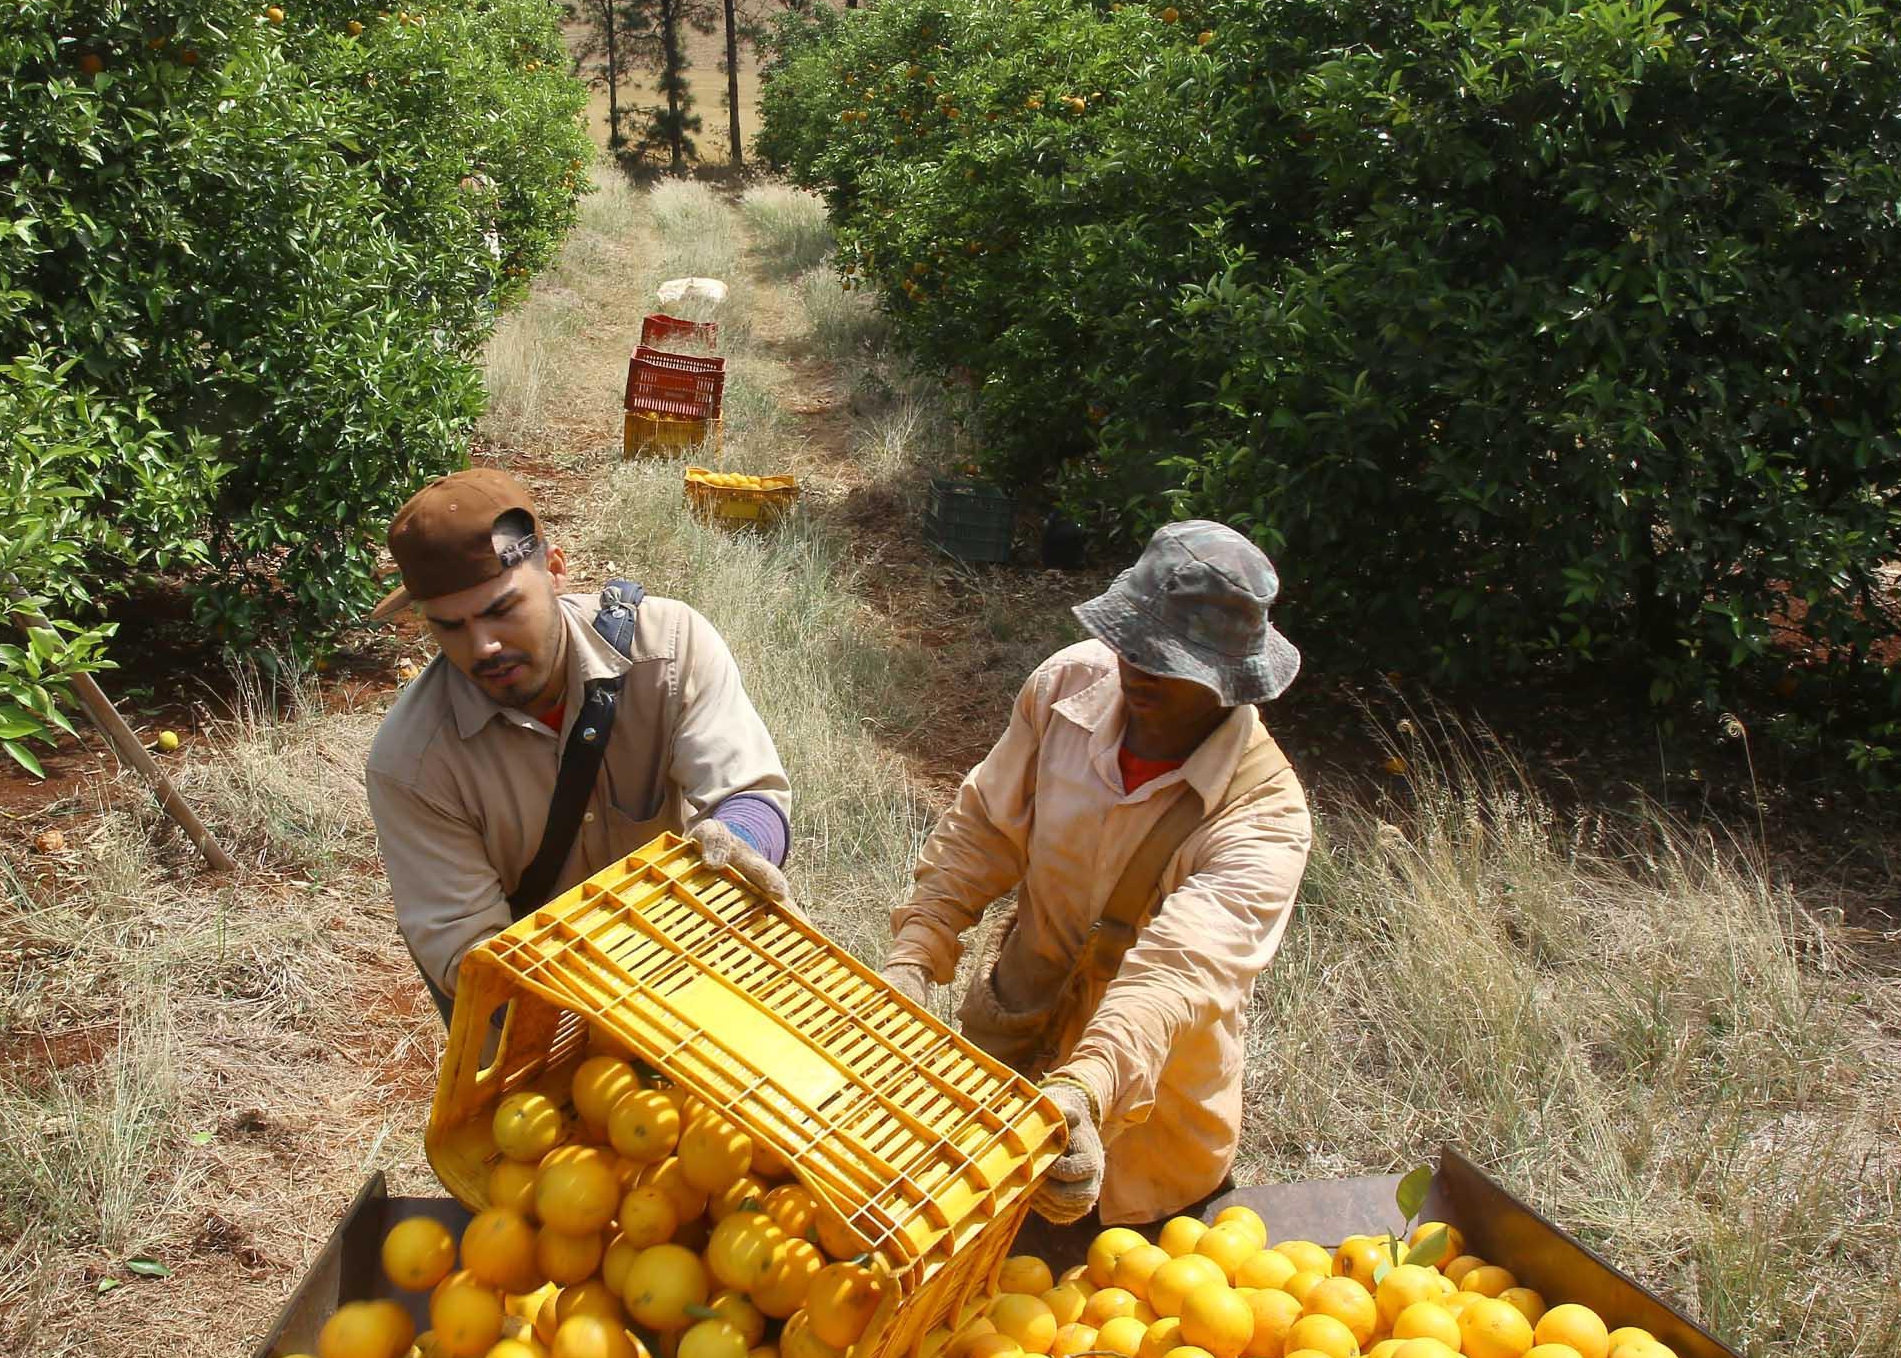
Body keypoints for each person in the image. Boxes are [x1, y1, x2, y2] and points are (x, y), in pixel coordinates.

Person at [882, 521, 1312, 1225]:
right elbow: (984, 832)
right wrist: (914, 955)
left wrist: (1086, 1089)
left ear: (1228, 679)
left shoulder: (1262, 817)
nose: (1135, 669)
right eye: (1130, 643)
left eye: (1165, 660)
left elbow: (1175, 976)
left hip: (1146, 1148)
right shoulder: (1066, 688)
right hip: (1003, 1070)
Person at [365, 469, 793, 1020]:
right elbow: (469, 955)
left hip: (694, 968)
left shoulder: (669, 649)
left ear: (557, 571)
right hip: (541, 1017)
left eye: (501, 609)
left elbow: (751, 792)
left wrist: (737, 842)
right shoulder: (413, 763)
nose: (484, 646)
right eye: (450, 627)